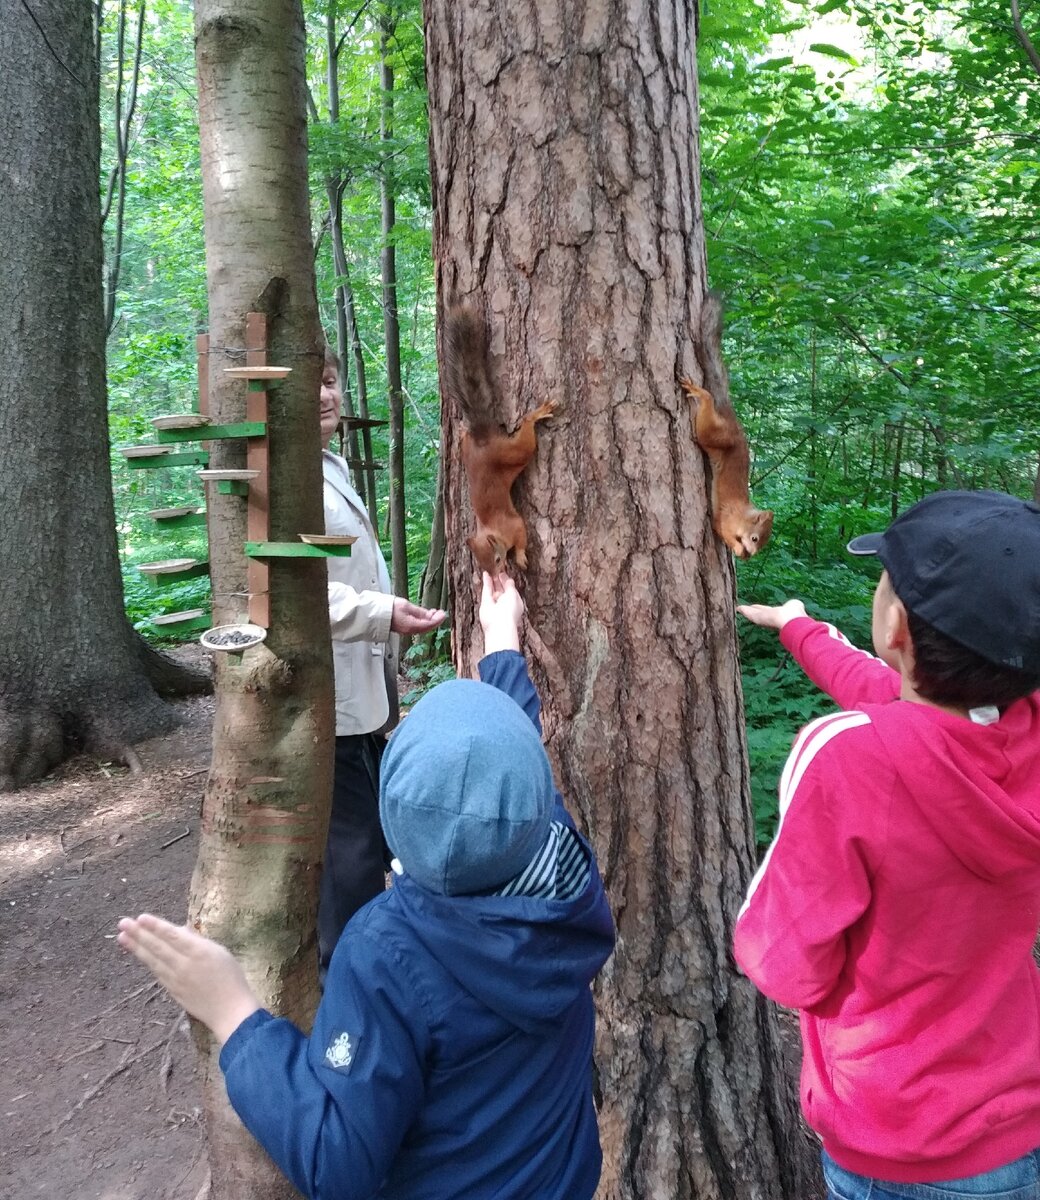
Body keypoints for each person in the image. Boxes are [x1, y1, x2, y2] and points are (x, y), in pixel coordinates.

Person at [117, 572, 616, 1200]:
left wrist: (235, 1016)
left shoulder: (384, 952)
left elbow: (338, 1163)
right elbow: (508, 769)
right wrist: (502, 645)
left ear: (387, 804)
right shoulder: (561, 864)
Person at [733, 489, 1040, 1199]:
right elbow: (903, 705)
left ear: (895, 622)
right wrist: (799, 629)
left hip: (892, 1144)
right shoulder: (1020, 731)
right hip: (1014, 1129)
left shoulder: (845, 761)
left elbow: (783, 964)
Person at [318, 348, 445, 978]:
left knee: (372, 838)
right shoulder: (282, 478)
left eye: (331, 381)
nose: (325, 395)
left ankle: (371, 974)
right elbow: (295, 594)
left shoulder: (330, 464)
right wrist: (382, 613)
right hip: (326, 699)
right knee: (351, 854)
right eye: (311, 384)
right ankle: (347, 989)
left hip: (363, 693)